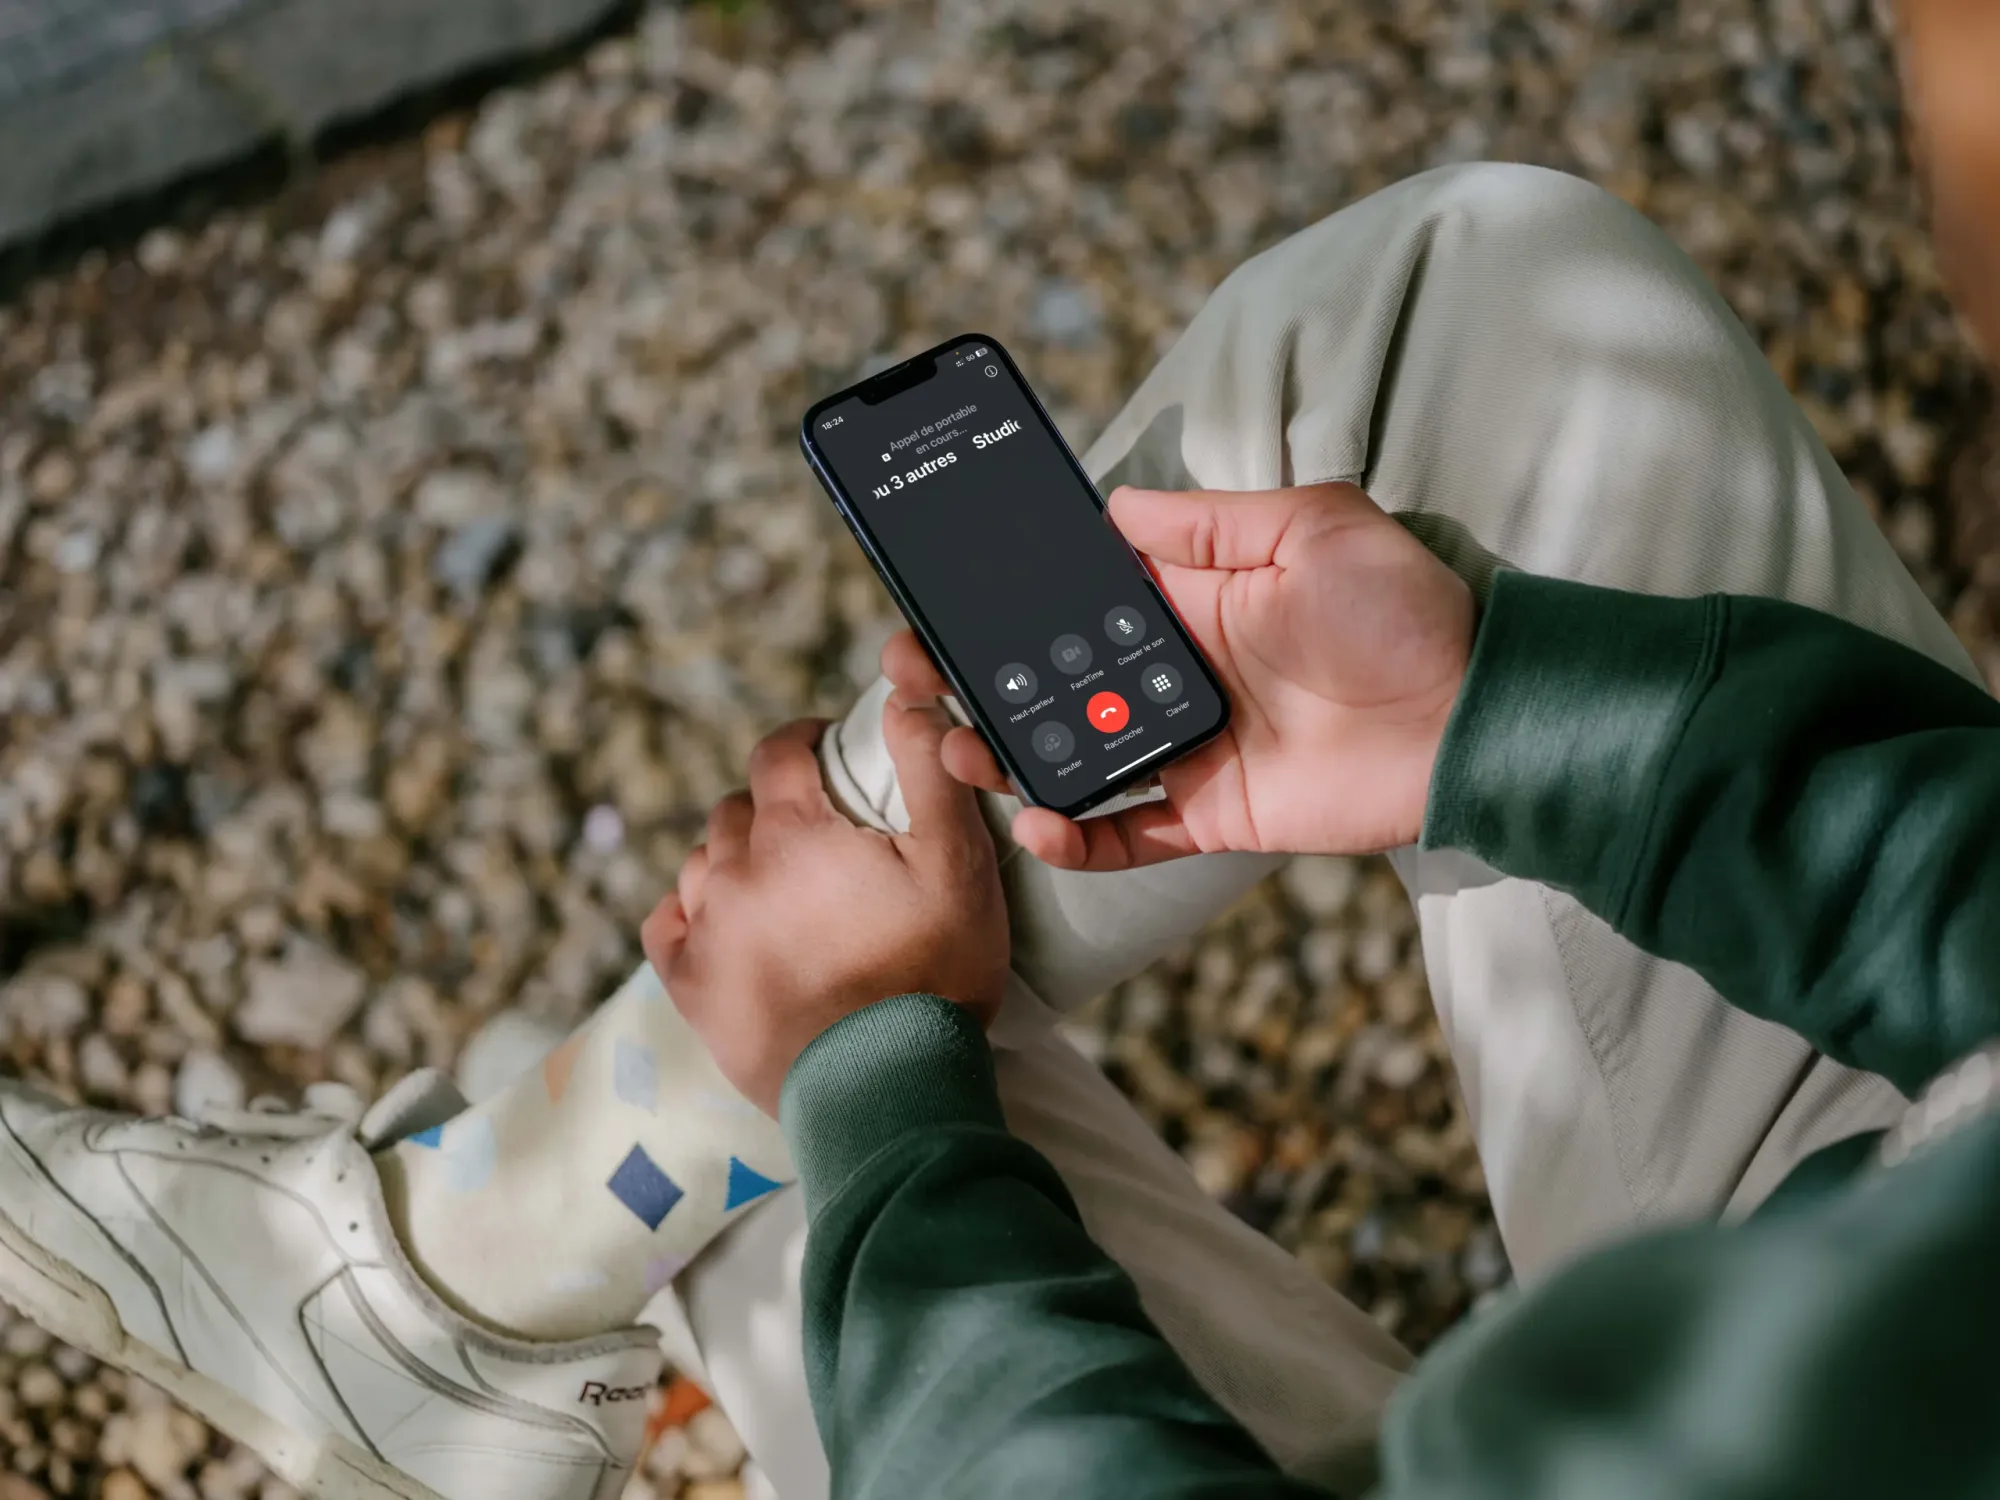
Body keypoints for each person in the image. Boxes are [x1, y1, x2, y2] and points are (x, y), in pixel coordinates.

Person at [2, 6, 1997, 1496]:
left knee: (751, 1154)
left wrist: (878, 1083)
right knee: (1477, 295)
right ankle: (458, 1267)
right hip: (1908, 1182)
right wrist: (1512, 705)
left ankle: (455, 1274)